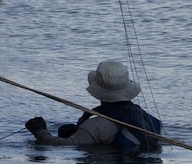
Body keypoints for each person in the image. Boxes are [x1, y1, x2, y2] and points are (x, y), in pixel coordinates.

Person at [26, 59, 161, 153]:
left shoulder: (95, 126)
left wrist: (39, 131)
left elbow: (61, 146)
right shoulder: (146, 118)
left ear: (98, 91)